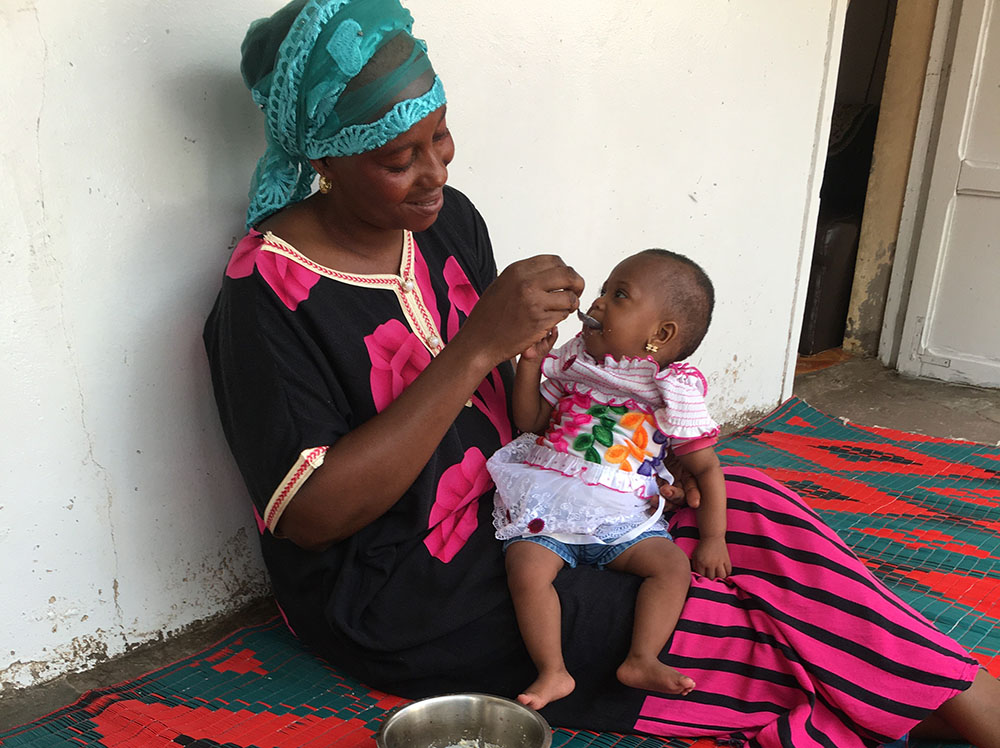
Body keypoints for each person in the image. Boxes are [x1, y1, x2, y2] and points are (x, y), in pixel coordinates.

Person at [203, 0, 1000, 745]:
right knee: (712, 626)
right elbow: (311, 516)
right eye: (397, 158)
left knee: (750, 506)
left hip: (532, 495)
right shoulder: (265, 296)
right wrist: (477, 348)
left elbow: (511, 421)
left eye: (440, 137)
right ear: (326, 159)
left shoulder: (447, 223)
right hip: (408, 586)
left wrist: (625, 463)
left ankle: (966, 702)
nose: (435, 173)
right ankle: (946, 716)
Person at [489, 249, 729, 709]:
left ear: (660, 335)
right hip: (552, 506)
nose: (596, 303)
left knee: (672, 566)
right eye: (604, 291)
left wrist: (712, 537)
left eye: (619, 296)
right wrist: (530, 366)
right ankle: (553, 671)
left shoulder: (673, 389)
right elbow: (530, 422)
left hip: (626, 517)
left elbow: (706, 468)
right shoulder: (574, 362)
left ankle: (642, 658)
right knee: (525, 568)